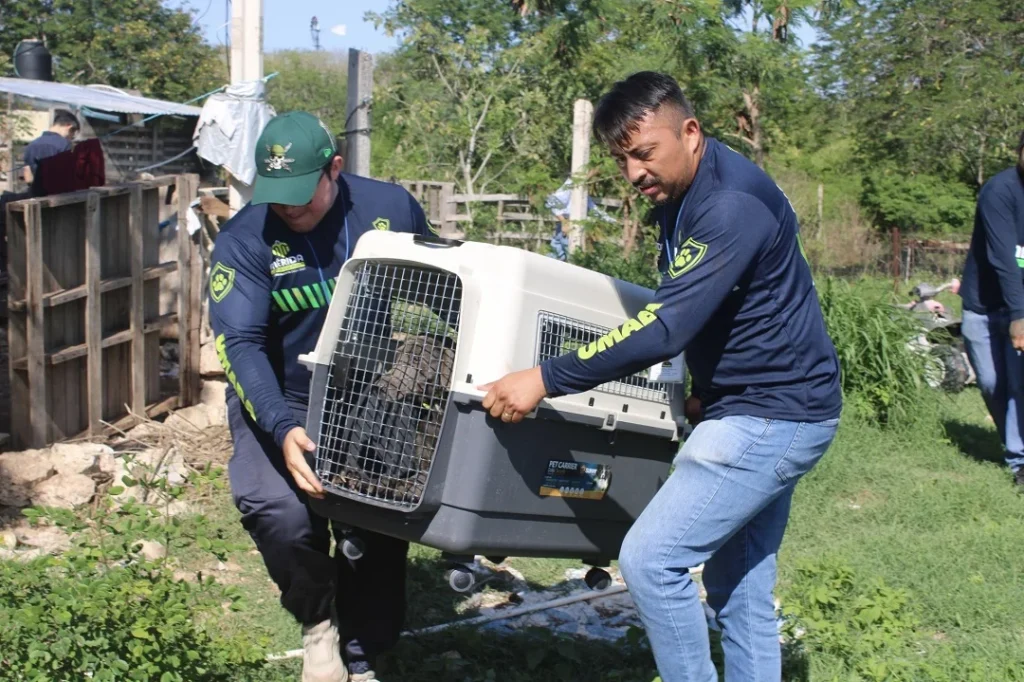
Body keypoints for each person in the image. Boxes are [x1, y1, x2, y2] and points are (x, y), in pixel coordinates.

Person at [479, 72, 842, 682]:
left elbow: (665, 326)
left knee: (652, 562)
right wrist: (709, 388)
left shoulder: (729, 205)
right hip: (769, 403)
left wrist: (545, 376)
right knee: (740, 586)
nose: (634, 173)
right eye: (622, 159)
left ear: (690, 132)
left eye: (645, 153)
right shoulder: (687, 191)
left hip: (771, 415)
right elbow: (723, 307)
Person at [208, 111, 436, 682]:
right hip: (280, 392)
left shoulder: (390, 208)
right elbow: (240, 344)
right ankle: (316, 623)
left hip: (369, 391)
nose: (289, 209)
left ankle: (362, 656)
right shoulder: (244, 240)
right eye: (277, 195)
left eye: (301, 195)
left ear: (335, 168)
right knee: (277, 510)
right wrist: (282, 427)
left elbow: (444, 284)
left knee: (378, 521)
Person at [958, 131, 1024, 489]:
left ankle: (1019, 460)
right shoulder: (999, 191)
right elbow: (1004, 259)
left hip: (1020, 306)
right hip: (983, 305)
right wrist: (1019, 316)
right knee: (990, 382)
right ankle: (1013, 443)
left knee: (1019, 383)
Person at [22, 109, 79, 188]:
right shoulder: (64, 144)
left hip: (36, 192)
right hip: (58, 193)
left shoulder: (32, 144)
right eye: (72, 135)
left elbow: (28, 178)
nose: (70, 138)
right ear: (69, 127)